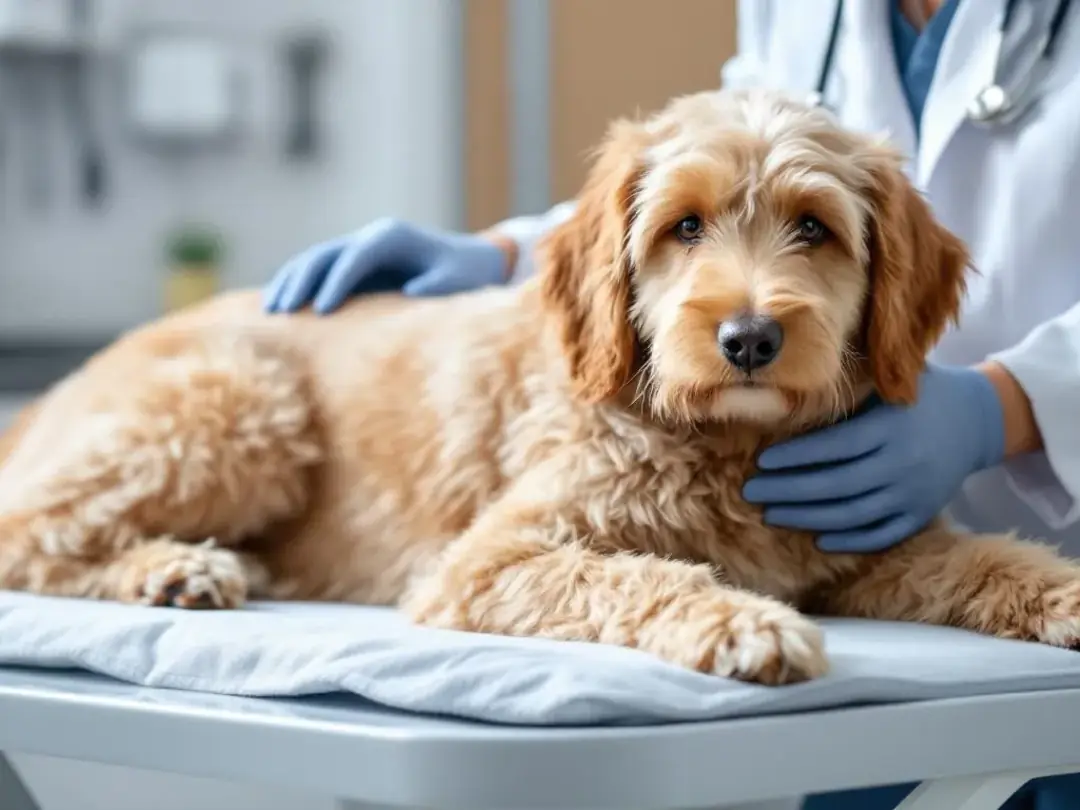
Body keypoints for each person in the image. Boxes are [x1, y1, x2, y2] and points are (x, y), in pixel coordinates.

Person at [263, 1, 1080, 807]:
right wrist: (504, 252)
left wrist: (1008, 406)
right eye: (688, 232)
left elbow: (876, 567)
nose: (752, 312)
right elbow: (700, 168)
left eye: (814, 230)